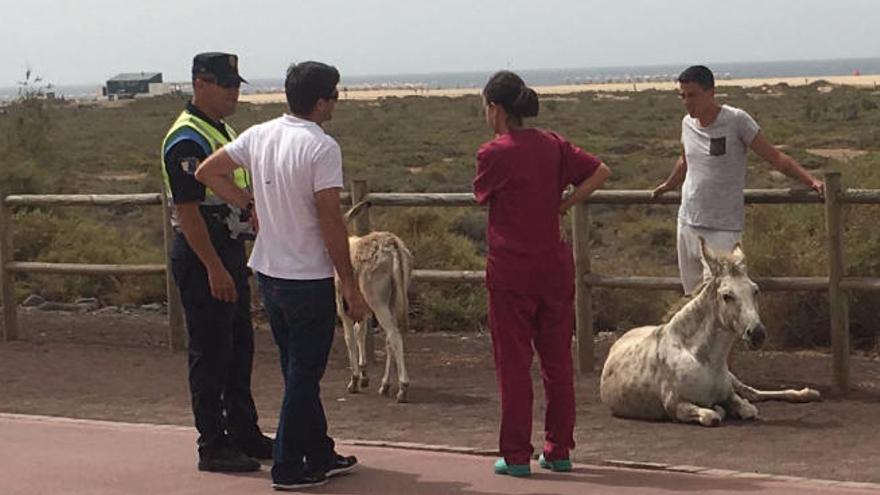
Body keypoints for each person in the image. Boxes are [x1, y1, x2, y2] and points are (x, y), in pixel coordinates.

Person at [195, 61, 369, 491]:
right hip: (305, 277)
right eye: (335, 95)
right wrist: (349, 283)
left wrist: (247, 203)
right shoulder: (321, 147)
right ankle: (290, 466)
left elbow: (206, 171)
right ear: (322, 100)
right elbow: (330, 218)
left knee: (297, 370)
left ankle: (320, 450)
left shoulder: (260, 134)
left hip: (269, 272)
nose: (336, 103)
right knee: (304, 373)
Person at [473, 71, 611, 477]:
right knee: (557, 364)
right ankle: (558, 448)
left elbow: (483, 194)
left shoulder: (492, 153)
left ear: (496, 109)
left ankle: (516, 455)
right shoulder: (553, 144)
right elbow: (601, 171)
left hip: (510, 271)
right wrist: (564, 204)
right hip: (553, 268)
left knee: (513, 366)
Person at [160, 52, 272, 472]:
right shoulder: (188, 138)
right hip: (202, 252)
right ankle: (213, 444)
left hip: (228, 248)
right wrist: (213, 268)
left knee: (238, 347)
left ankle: (244, 431)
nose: (234, 93)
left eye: (236, 84)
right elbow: (188, 210)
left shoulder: (218, 128)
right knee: (210, 353)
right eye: (225, 85)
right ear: (199, 84)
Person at [653, 65, 825, 294]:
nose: (687, 101)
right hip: (687, 222)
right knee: (693, 300)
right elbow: (685, 160)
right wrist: (669, 184)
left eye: (692, 95)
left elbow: (774, 156)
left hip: (722, 228)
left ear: (711, 92)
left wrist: (810, 180)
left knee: (725, 298)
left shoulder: (736, 120)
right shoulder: (687, 124)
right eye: (682, 96)